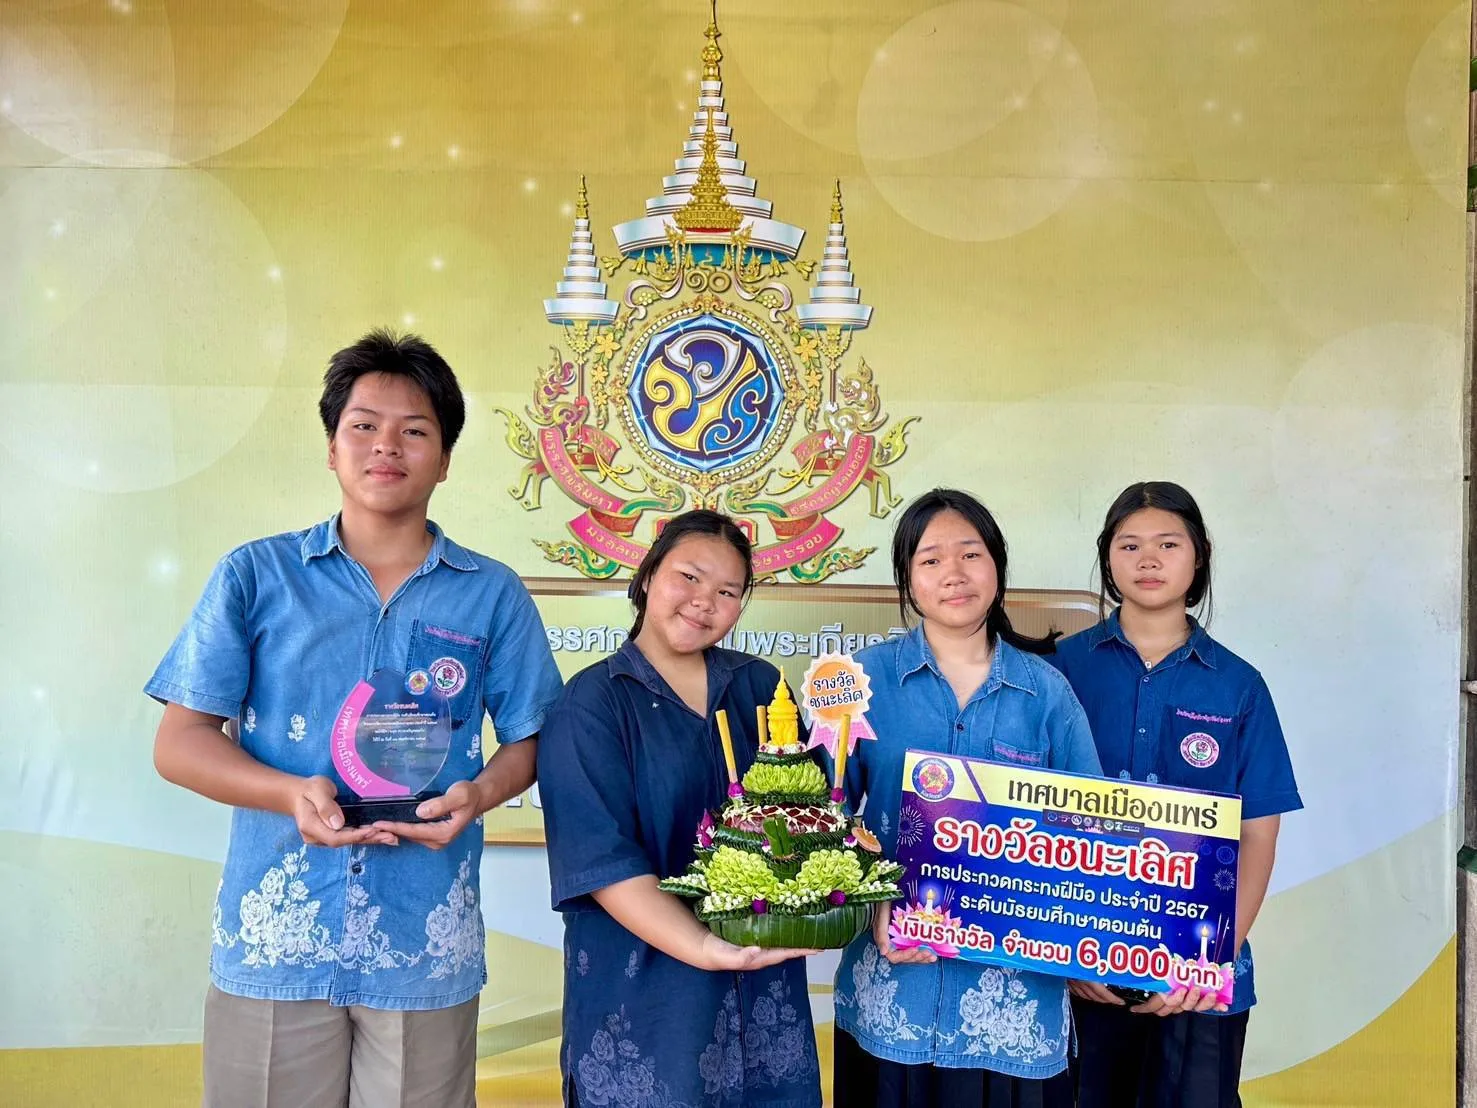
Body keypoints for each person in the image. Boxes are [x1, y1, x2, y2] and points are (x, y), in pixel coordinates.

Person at [146, 329, 562, 1108]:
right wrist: (289, 793)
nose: (386, 447)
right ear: (332, 448)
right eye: (363, 426)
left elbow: (532, 738)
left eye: (415, 431)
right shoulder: (256, 575)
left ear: (445, 458)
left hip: (421, 936)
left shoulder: (491, 593)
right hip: (279, 935)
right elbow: (180, 742)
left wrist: (480, 794)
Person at [537, 510, 823, 1108]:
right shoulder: (592, 703)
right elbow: (602, 861)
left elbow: (809, 814)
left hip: (764, 998)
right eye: (689, 577)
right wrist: (704, 947)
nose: (704, 602)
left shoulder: (760, 688)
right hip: (645, 1000)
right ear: (648, 577)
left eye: (728, 592)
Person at [832, 488, 1101, 1108]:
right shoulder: (858, 684)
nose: (953, 573)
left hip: (1014, 1012)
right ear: (907, 578)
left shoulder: (1047, 693)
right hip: (892, 1002)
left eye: (970, 554)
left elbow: (1091, 832)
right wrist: (871, 900)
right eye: (930, 559)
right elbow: (820, 817)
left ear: (997, 566)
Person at [1048, 480, 1302, 1108]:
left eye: (1168, 544)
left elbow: (1257, 836)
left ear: (1199, 555)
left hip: (1198, 978)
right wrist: (1062, 954)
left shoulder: (1239, 685)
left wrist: (1205, 963)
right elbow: (1024, 816)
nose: (1149, 560)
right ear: (1108, 558)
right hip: (1076, 967)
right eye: (1129, 545)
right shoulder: (1058, 670)